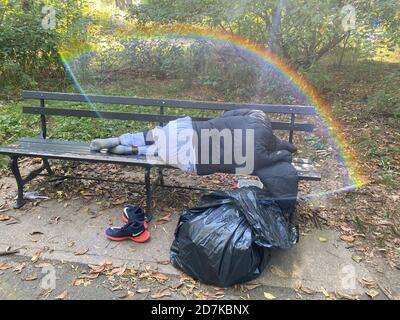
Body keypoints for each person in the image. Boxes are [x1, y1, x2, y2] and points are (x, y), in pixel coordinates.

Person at [90, 109, 297, 176]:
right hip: (192, 160)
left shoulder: (258, 117)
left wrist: (221, 121)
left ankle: (121, 140)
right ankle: (134, 150)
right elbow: (282, 155)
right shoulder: (259, 156)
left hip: (186, 131)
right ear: (274, 145)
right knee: (162, 153)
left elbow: (230, 113)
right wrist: (285, 155)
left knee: (156, 135)